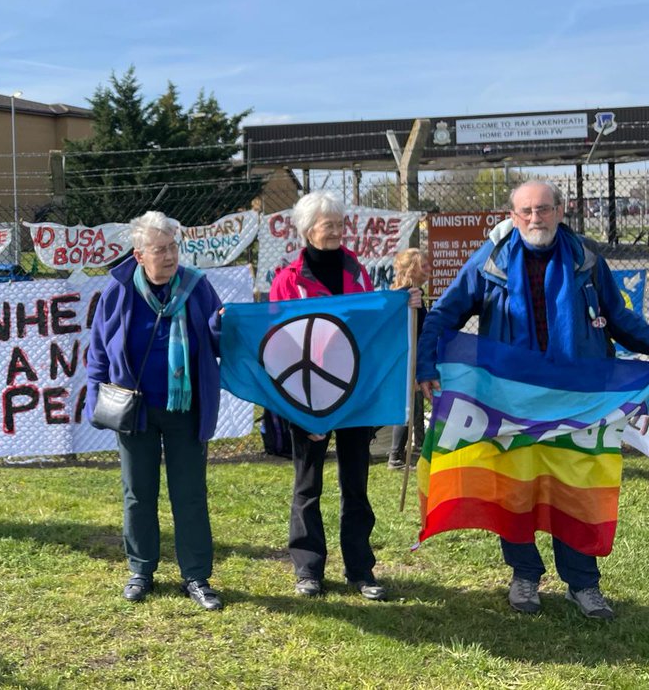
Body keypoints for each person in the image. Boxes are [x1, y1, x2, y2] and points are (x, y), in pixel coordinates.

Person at [417, 180, 649, 620]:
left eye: (543, 209)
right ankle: (524, 575)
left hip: (577, 400)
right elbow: (446, 313)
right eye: (525, 211)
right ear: (512, 215)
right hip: (510, 402)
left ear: (561, 212)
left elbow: (619, 320)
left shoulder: (586, 260)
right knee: (515, 492)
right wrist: (426, 364)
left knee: (576, 492)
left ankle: (583, 584)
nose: (534, 219)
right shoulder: (490, 262)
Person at [86, 211, 225, 610]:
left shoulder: (197, 287)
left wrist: (223, 326)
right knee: (137, 494)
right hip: (135, 411)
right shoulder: (118, 290)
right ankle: (141, 571)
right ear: (139, 254)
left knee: (190, 495)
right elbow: (99, 348)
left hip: (186, 409)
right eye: (159, 249)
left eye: (173, 248)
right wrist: (99, 394)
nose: (168, 256)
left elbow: (217, 342)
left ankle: (197, 577)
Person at [270, 191, 389, 601]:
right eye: (328, 225)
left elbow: (375, 324)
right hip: (308, 396)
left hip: (354, 395)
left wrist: (403, 303)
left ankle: (361, 569)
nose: (336, 231)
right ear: (307, 231)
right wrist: (298, 409)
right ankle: (308, 569)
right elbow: (278, 344)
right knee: (308, 486)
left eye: (340, 224)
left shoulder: (358, 272)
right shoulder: (287, 280)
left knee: (356, 484)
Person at [387, 248, 429, 470]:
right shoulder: (404, 296)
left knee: (411, 405)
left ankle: (400, 454)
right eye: (424, 265)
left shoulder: (416, 294)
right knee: (407, 406)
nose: (428, 269)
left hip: (414, 355)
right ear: (413, 268)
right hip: (406, 358)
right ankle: (395, 456)